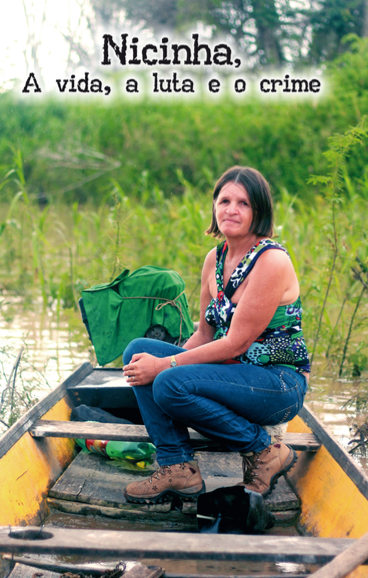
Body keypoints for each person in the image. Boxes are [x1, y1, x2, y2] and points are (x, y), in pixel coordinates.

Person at [122, 166, 310, 504]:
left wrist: (165, 367)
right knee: (137, 352)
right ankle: (178, 466)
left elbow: (236, 343)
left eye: (243, 203)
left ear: (259, 212)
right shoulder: (215, 259)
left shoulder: (271, 261)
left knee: (168, 381)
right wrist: (162, 365)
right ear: (214, 207)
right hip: (232, 374)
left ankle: (264, 450)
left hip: (278, 384)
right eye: (225, 201)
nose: (231, 210)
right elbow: (204, 336)